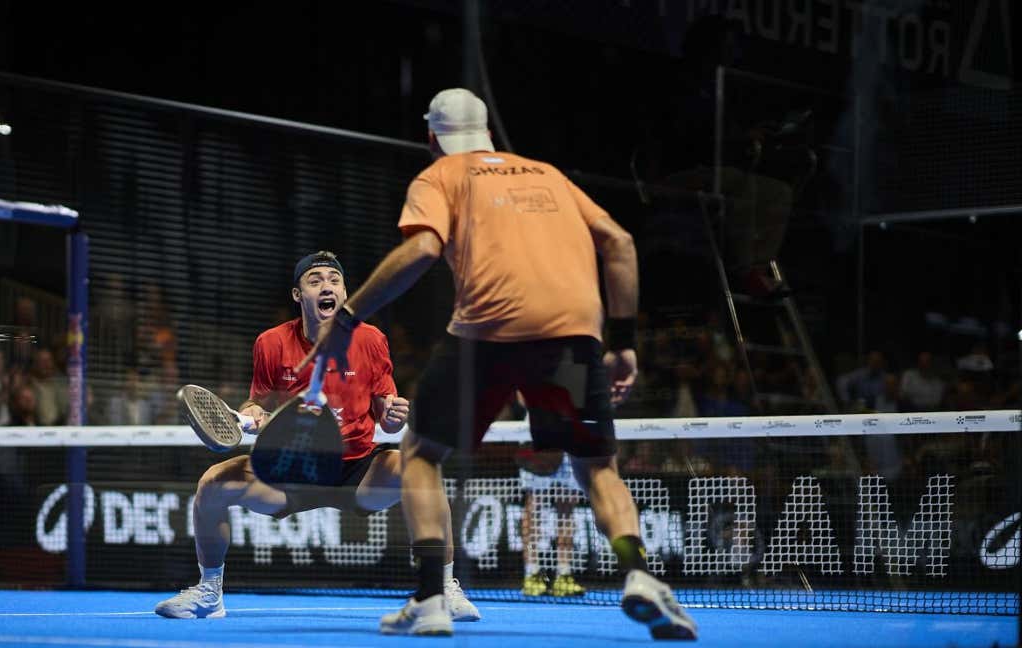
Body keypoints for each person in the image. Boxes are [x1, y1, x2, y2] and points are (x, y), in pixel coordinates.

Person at [302, 89, 697, 639]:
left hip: (489, 334)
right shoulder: (549, 176)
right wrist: (624, 343)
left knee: (420, 451)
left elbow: (419, 252)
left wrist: (346, 319)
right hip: (572, 339)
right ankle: (639, 575)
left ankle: (431, 599)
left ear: (432, 137)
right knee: (596, 465)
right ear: (488, 130)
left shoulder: (439, 176)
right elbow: (621, 243)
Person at [154, 251, 479, 622]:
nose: (327, 286)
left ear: (344, 292)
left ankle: (443, 589)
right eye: (315, 280)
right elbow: (257, 402)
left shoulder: (371, 340)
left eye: (334, 279)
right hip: (293, 469)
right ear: (298, 295)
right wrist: (252, 413)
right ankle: (209, 594)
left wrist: (392, 414)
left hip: (357, 471)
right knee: (212, 484)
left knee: (420, 467)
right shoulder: (272, 343)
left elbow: (385, 416)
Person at [654, 14, 801, 298]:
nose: (733, 52)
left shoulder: (718, 88)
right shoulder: (681, 83)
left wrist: (751, 136)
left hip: (715, 172)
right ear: (711, 47)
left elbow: (725, 134)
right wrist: (736, 139)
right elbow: (686, 136)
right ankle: (742, 271)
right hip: (678, 173)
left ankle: (758, 268)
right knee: (739, 184)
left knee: (778, 192)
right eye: (728, 45)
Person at [519, 451, 587, 598]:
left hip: (569, 446)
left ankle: (563, 574)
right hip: (539, 441)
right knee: (534, 503)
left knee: (567, 503)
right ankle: (532, 573)